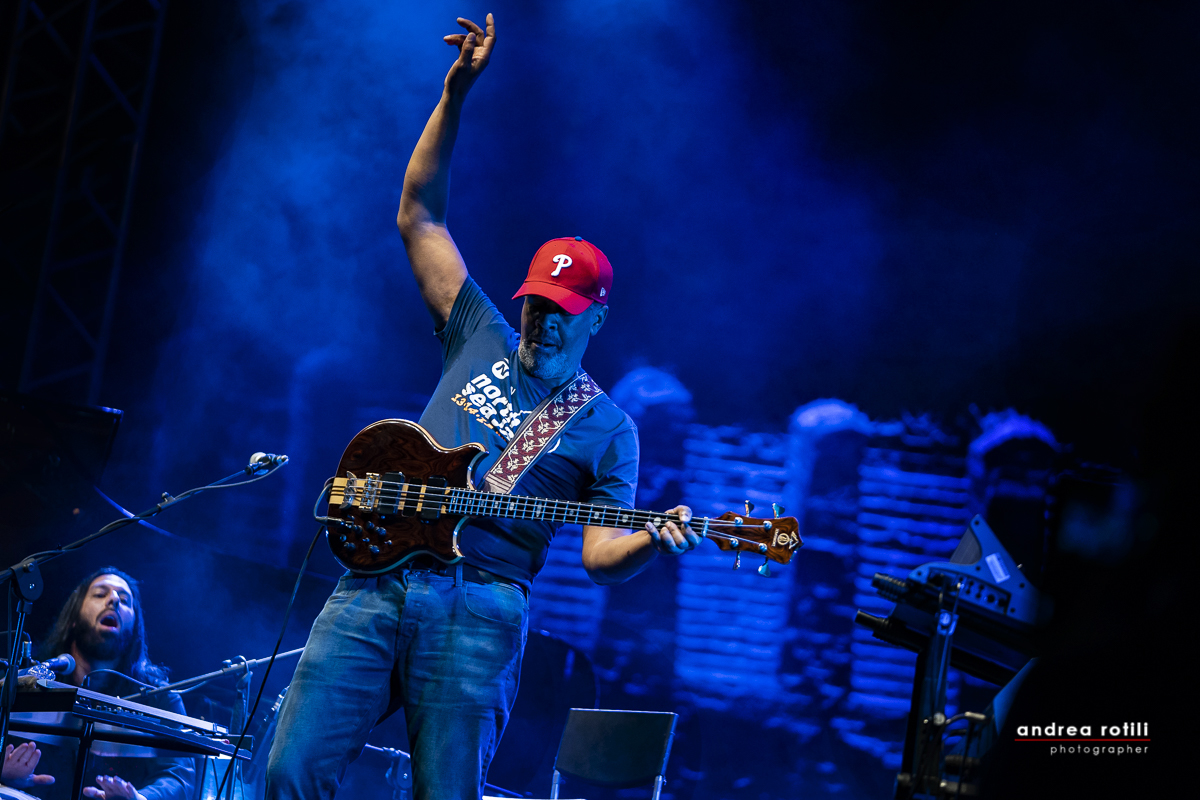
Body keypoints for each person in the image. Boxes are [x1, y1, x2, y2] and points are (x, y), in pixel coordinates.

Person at [265, 13, 702, 800]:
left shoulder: (609, 429)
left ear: (595, 318)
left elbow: (601, 556)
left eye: (563, 307)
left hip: (482, 610)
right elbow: (418, 215)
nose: (544, 317)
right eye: (537, 300)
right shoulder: (479, 333)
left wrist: (649, 542)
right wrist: (453, 95)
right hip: (375, 581)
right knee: (289, 772)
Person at [1, 568, 194, 800]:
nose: (113, 600)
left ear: (134, 627)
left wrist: (140, 799)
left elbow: (178, 776)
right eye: (100, 594)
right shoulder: (28, 684)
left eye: (124, 600)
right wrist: (4, 778)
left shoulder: (160, 698)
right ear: (73, 618)